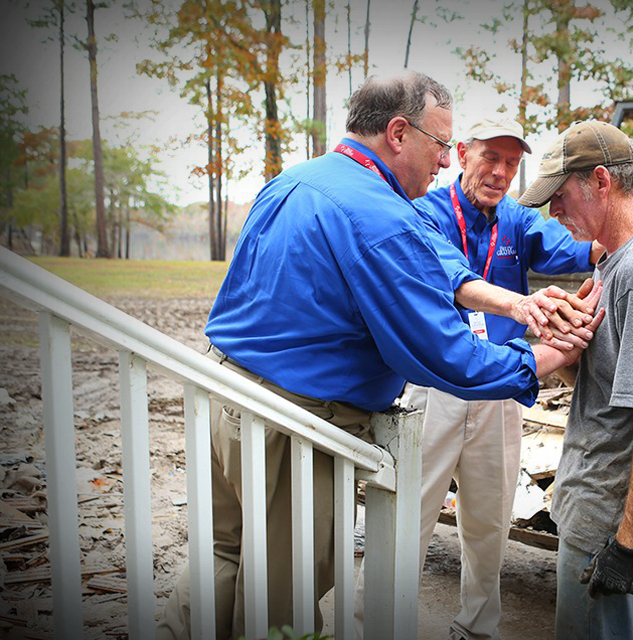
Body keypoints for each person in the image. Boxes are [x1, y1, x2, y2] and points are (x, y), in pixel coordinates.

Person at [156, 71, 601, 640]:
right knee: (284, 593)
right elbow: (446, 358)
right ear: (398, 133)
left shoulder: (295, 181)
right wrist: (544, 355)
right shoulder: (383, 216)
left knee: (225, 557)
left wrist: (514, 306)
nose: (443, 162)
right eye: (441, 145)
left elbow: (433, 267)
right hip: (291, 423)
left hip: (223, 396)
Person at [358, 115, 604, 640]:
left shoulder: (516, 219)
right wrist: (521, 306)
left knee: (490, 518)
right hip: (435, 382)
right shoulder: (423, 212)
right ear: (463, 153)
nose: (500, 172)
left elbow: (578, 248)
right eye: (491, 157)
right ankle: (372, 621)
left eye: (512, 163)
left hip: (500, 381)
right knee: (410, 511)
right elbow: (451, 276)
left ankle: (477, 628)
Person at [517, 122, 633, 640]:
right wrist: (566, 344)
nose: (554, 211)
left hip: (607, 515)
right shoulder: (612, 261)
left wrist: (628, 546)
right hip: (592, 500)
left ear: (601, 181)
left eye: (560, 195)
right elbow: (600, 381)